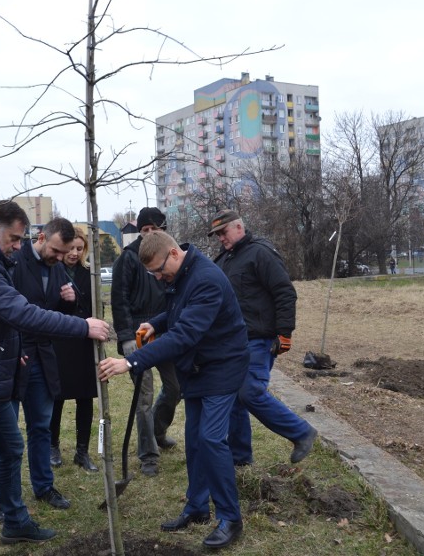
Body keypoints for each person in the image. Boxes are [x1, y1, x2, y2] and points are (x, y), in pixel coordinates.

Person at [0, 201, 110, 554]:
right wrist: (82, 325)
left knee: (13, 448)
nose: (18, 246)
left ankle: (15, 523)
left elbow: (3, 319)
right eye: (14, 238)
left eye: (20, 239)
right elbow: (20, 313)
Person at [99, 231, 248, 549]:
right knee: (195, 441)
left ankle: (230, 518)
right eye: (152, 272)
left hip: (222, 368)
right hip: (199, 368)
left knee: (210, 439)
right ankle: (196, 509)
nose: (156, 277)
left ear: (174, 254)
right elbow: (180, 310)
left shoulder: (206, 278)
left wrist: (131, 362)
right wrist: (157, 322)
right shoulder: (184, 272)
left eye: (157, 270)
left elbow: (185, 335)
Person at [0, 217, 79, 513]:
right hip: (14, 355)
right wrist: (14, 347)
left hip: (43, 358)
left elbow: (53, 312)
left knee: (41, 426)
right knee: (2, 430)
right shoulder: (12, 261)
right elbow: (3, 310)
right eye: (57, 250)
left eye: (65, 253)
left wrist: (70, 302)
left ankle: (44, 486)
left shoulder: (58, 267)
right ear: (40, 238)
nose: (61, 258)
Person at [208, 209, 318, 467]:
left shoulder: (260, 253)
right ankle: (240, 457)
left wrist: (284, 333)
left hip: (258, 339)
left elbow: (284, 293)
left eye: (223, 232)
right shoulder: (224, 260)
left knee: (250, 392)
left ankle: (301, 432)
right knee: (235, 396)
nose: (220, 239)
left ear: (238, 227)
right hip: (232, 342)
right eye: (217, 235)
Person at [111, 207, 181, 477]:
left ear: (164, 229)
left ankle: (158, 431)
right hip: (139, 334)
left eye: (155, 229)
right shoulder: (128, 259)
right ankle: (148, 455)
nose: (149, 234)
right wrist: (127, 338)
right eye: (144, 230)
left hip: (166, 332)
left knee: (175, 388)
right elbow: (119, 300)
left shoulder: (173, 259)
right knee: (144, 398)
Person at [50, 227, 99, 472]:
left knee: (85, 397)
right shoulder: (53, 270)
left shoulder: (89, 273)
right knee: (56, 397)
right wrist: (63, 301)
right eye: (71, 248)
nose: (74, 253)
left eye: (80, 249)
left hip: (83, 342)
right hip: (59, 340)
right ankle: (53, 447)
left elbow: (94, 307)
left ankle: (82, 451)